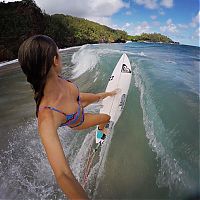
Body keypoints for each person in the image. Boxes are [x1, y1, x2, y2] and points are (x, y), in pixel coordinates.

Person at [18, 35, 118, 199]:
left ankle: (103, 100)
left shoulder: (55, 79)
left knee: (96, 97)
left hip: (77, 101)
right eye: (59, 53)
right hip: (78, 119)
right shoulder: (47, 117)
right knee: (106, 117)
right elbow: (63, 174)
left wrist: (104, 95)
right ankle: (100, 133)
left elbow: (78, 95)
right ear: (54, 60)